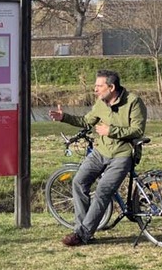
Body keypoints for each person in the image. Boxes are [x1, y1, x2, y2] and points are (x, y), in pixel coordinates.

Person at [48, 70, 147, 246]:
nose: (95, 90)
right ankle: (82, 229)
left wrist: (111, 131)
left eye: (99, 86)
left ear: (112, 87)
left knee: (103, 191)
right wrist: (64, 117)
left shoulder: (133, 102)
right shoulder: (101, 103)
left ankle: (82, 235)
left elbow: (138, 130)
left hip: (122, 155)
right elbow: (86, 121)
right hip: (100, 152)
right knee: (79, 182)